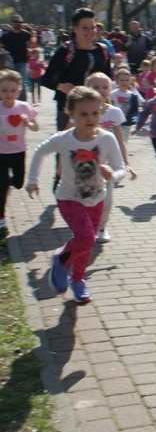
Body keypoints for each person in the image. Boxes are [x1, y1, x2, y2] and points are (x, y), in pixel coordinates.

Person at [27, 86, 127, 304]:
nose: (91, 118)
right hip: (68, 198)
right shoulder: (64, 139)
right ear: (70, 114)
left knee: (86, 243)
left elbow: (122, 169)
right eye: (83, 114)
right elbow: (39, 152)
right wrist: (33, 180)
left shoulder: (107, 139)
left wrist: (113, 175)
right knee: (86, 238)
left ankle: (78, 279)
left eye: (95, 113)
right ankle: (61, 260)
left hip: (97, 199)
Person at [85, 72, 136, 244]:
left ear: (110, 89)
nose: (100, 90)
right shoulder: (82, 111)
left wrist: (126, 163)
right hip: (84, 164)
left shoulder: (114, 112)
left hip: (106, 166)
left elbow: (120, 140)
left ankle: (101, 228)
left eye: (104, 87)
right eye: (95, 87)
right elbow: (69, 134)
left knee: (107, 199)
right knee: (86, 198)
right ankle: (85, 227)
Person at [42, 8, 112, 132]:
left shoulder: (103, 50)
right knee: (67, 146)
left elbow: (108, 78)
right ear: (74, 29)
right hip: (69, 107)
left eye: (93, 27)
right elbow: (46, 79)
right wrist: (62, 87)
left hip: (95, 108)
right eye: (84, 28)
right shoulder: (66, 50)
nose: (90, 31)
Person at [0, 70, 38, 239]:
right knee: (1, 188)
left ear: (19, 90)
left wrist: (27, 122)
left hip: (18, 151)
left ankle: (7, 182)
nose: (8, 94)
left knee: (18, 183)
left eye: (12, 90)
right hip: (1, 152)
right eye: (4, 90)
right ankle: (1, 219)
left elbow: (36, 127)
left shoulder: (23, 107)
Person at [1, 15, 32, 101]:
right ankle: (9, 100)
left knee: (21, 81)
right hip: (9, 63)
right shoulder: (6, 36)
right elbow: (1, 47)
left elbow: (30, 45)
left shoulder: (26, 34)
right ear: (12, 23)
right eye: (16, 21)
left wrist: (30, 51)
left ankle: (22, 102)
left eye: (20, 22)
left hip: (22, 61)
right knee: (10, 81)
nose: (18, 23)